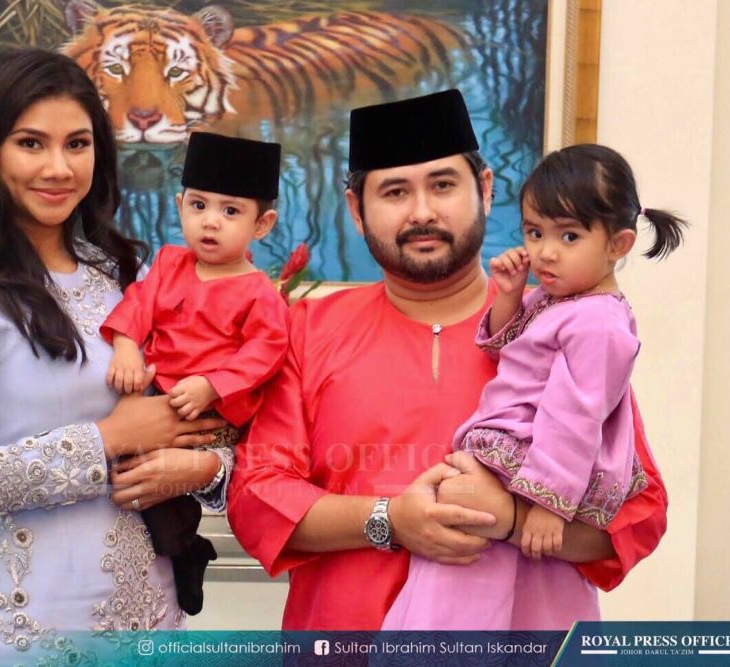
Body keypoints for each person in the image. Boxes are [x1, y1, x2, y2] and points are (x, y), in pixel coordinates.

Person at [227, 90, 668, 630]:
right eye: (394, 191)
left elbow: (637, 515)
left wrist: (510, 519)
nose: (423, 212)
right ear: (355, 211)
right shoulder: (305, 330)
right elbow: (258, 497)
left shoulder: (563, 325)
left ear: (483, 190)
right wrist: (389, 520)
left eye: (442, 185)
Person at [0, 49, 229, 665]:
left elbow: (211, 426)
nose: (57, 167)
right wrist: (108, 438)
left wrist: (201, 470)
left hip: (153, 626)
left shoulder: (130, 275)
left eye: (77, 144)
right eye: (30, 143)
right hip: (21, 636)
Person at [383, 143, 686, 630]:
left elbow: (575, 417)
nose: (545, 252)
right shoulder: (560, 299)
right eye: (534, 232)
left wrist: (546, 504)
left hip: (535, 462)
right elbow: (507, 349)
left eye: (569, 235)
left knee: (484, 576)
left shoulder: (599, 325)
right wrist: (508, 296)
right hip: (513, 453)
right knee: (470, 564)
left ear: (618, 245)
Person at [100, 131, 289, 615]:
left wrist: (212, 385)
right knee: (127, 484)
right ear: (180, 204)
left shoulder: (257, 292)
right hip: (154, 393)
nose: (210, 222)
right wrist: (125, 345)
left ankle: (185, 551)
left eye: (230, 211)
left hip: (205, 411)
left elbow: (266, 351)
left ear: (261, 223)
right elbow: (138, 306)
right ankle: (174, 552)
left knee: (162, 492)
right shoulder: (168, 263)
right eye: (199, 205)